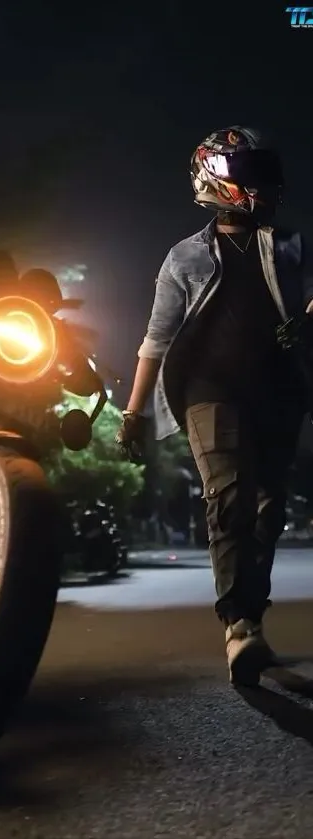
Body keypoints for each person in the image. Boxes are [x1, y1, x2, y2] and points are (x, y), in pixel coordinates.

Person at [117, 125, 313, 687]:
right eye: (248, 172)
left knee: (268, 510)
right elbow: (155, 341)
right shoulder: (184, 258)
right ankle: (239, 626)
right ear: (219, 179)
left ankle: (252, 615)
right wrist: (134, 413)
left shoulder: (291, 245)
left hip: (277, 391)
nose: (263, 184)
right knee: (229, 494)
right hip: (209, 392)